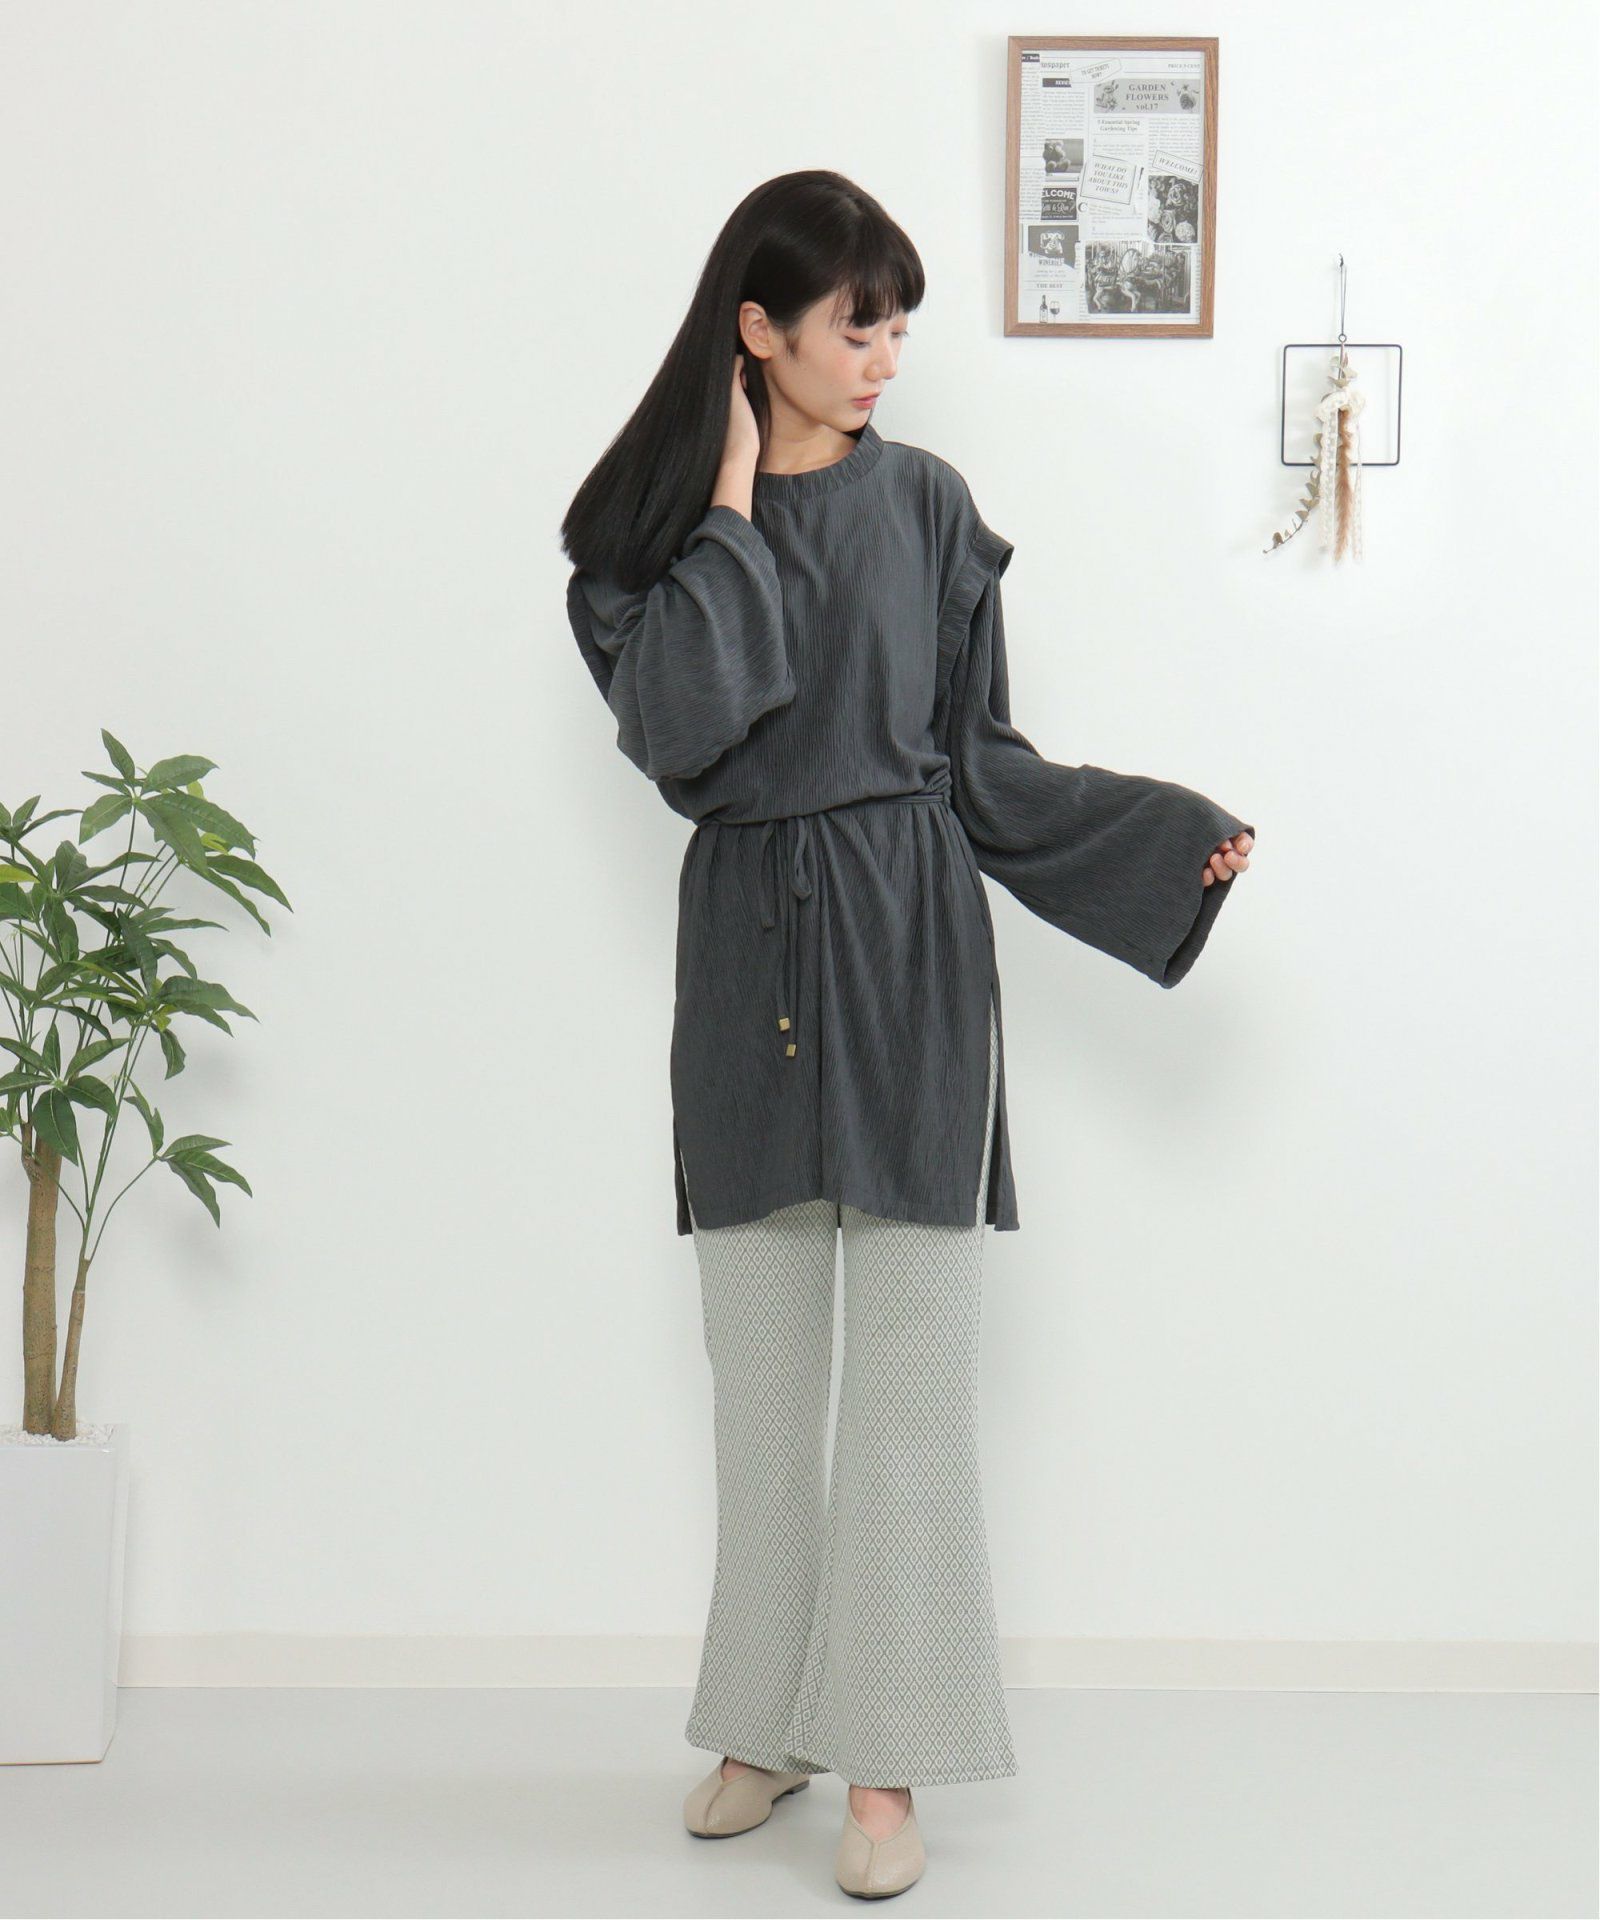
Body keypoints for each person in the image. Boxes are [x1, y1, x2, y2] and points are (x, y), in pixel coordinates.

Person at [561, 169, 1255, 1902]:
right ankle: (766, 1723)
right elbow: (684, 735)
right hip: (746, 969)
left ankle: (887, 1762)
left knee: (909, 1405)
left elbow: (983, 765)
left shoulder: (930, 507)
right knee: (761, 1395)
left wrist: (1161, 837)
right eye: (854, 327)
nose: (884, 358)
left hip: (911, 962)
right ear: (759, 331)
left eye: (897, 330)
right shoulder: (646, 548)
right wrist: (731, 502)